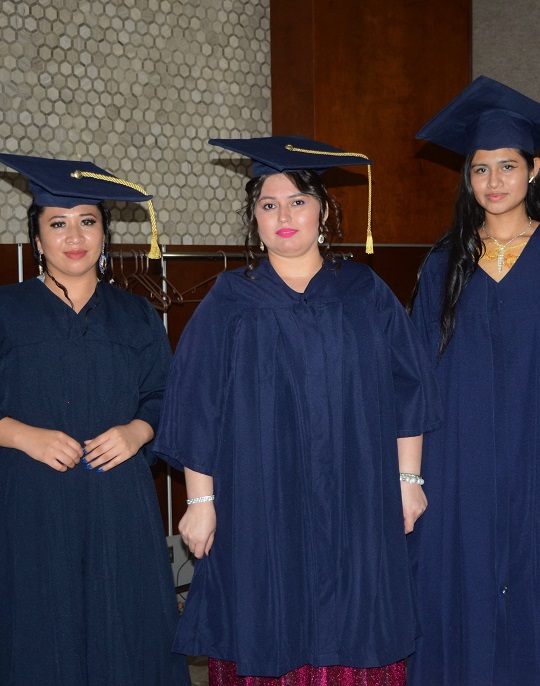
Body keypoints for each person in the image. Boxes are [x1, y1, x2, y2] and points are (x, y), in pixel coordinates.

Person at [152, 136, 441, 686]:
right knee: (268, 609)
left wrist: (408, 479)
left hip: (357, 497)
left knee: (355, 616)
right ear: (254, 217)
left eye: (298, 202)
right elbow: (196, 406)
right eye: (268, 204)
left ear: (324, 211)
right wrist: (200, 501)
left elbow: (410, 390)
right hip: (258, 499)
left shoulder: (363, 291)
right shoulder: (229, 300)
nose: (284, 215)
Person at [0, 153, 188, 685]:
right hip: (25, 506)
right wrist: (23, 435)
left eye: (87, 221)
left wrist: (136, 431)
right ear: (38, 238)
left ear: (104, 234)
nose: (74, 236)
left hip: (115, 505)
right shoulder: (1, 309)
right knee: (29, 636)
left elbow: (168, 394)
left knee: (121, 632)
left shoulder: (137, 314)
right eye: (58, 223)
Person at [407, 76, 540, 685]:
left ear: (533, 168)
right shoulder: (444, 263)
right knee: (459, 586)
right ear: (467, 178)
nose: (493, 182)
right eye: (479, 169)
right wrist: (411, 477)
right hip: (457, 459)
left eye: (506, 166)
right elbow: (416, 375)